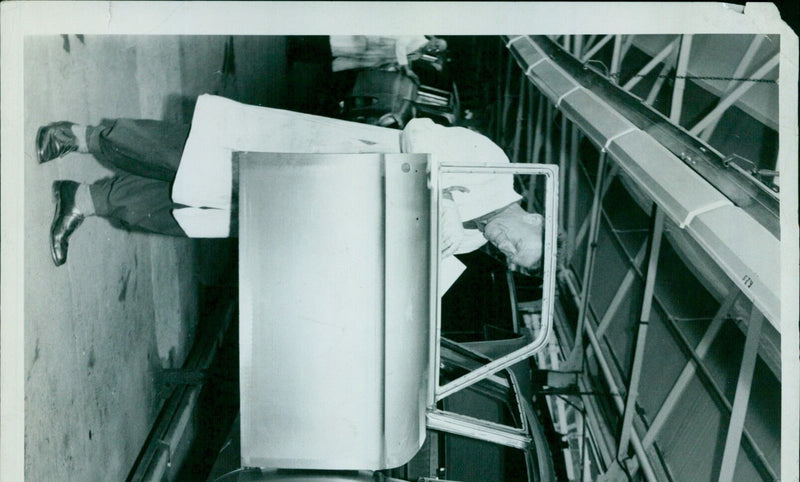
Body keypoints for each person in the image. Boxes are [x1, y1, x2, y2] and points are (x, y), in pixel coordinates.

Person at [37, 95, 544, 279]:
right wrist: (441, 202)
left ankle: (83, 200)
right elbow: (419, 132)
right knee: (186, 153)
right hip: (319, 158)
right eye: (519, 243)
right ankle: (79, 138)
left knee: (191, 211)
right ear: (536, 217)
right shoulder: (494, 164)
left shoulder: (473, 243)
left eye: (511, 257)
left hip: (319, 208)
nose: (504, 246)